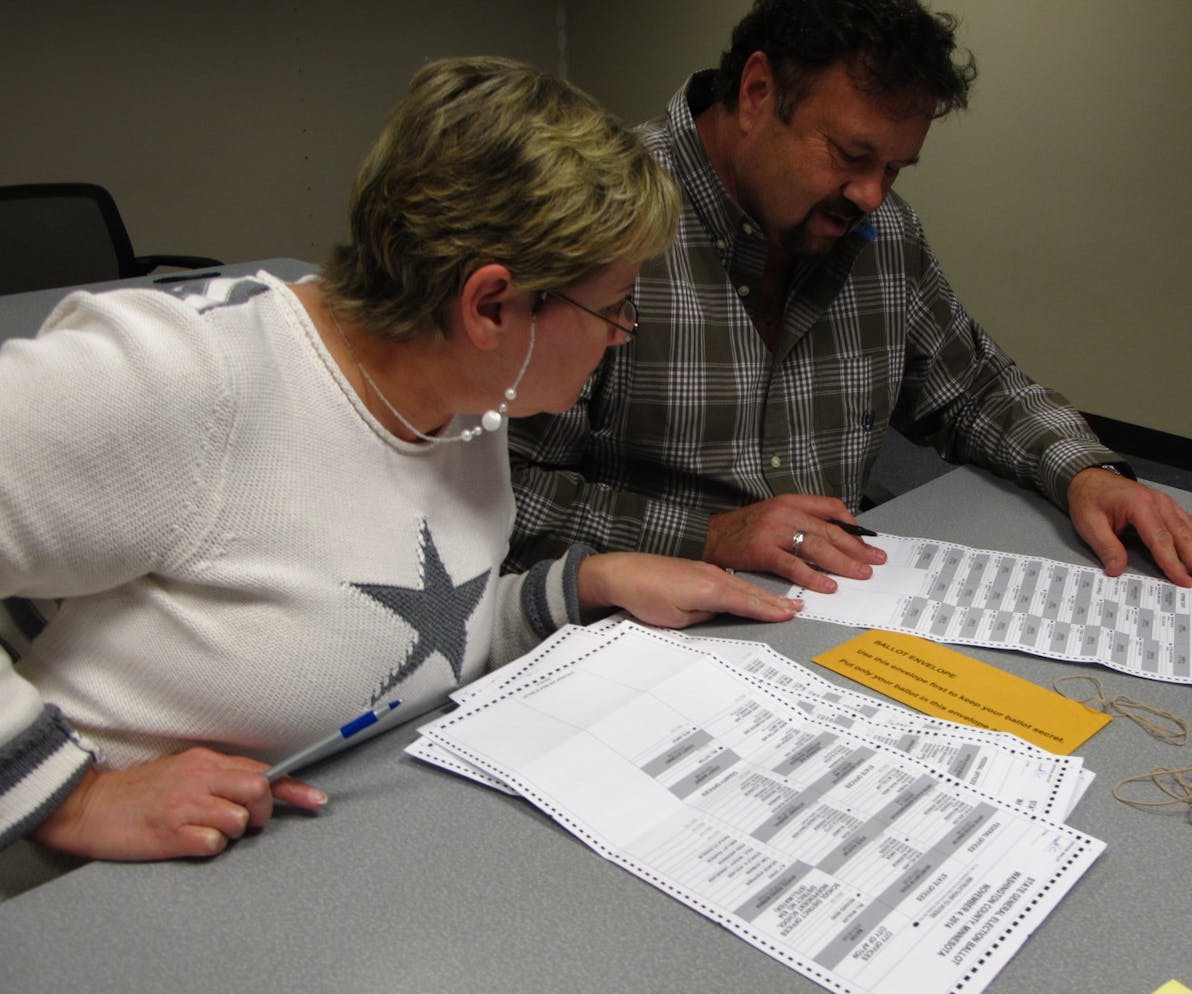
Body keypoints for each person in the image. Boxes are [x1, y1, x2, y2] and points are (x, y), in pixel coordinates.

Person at [0, 55, 802, 881]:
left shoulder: (463, 387)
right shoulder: (191, 378)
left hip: (290, 864)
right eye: (614, 307)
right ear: (492, 306)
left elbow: (408, 634)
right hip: (66, 894)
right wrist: (74, 799)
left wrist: (585, 584)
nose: (624, 331)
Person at [506, 0, 1192, 598]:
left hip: (834, 605)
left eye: (895, 167)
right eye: (852, 156)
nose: (871, 195)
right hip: (638, 629)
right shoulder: (599, 218)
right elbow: (503, 501)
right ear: (758, 93)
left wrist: (1087, 472)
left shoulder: (880, 233)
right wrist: (707, 533)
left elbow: (973, 390)